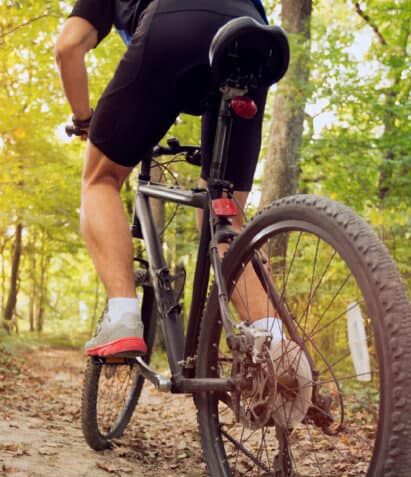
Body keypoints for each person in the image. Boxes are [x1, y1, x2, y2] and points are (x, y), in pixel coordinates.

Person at [55, 0, 281, 357]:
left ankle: (123, 317)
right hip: (253, 38)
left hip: (172, 25)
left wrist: (84, 120)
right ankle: (277, 346)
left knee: (100, 180)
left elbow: (68, 47)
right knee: (223, 213)